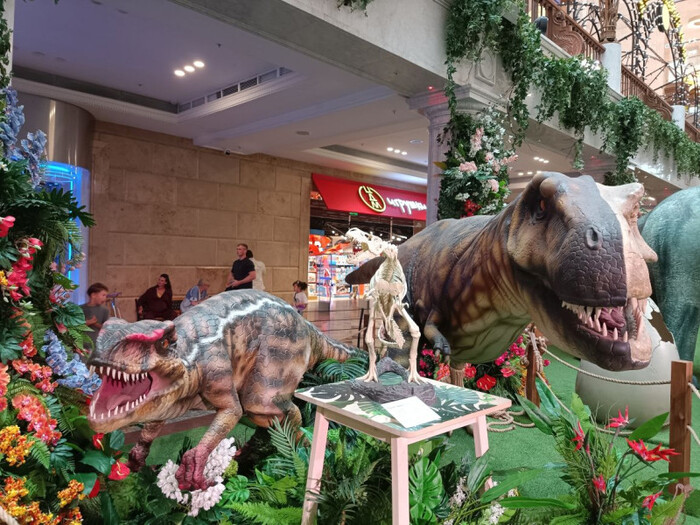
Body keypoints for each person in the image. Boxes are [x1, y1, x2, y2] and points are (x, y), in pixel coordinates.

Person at [80, 282, 110, 349]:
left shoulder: (104, 310)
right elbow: (74, 327)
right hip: (82, 345)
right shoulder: (80, 309)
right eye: (103, 295)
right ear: (93, 295)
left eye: (106, 296)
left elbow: (107, 328)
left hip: (97, 344)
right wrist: (87, 322)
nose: (105, 298)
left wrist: (95, 324)